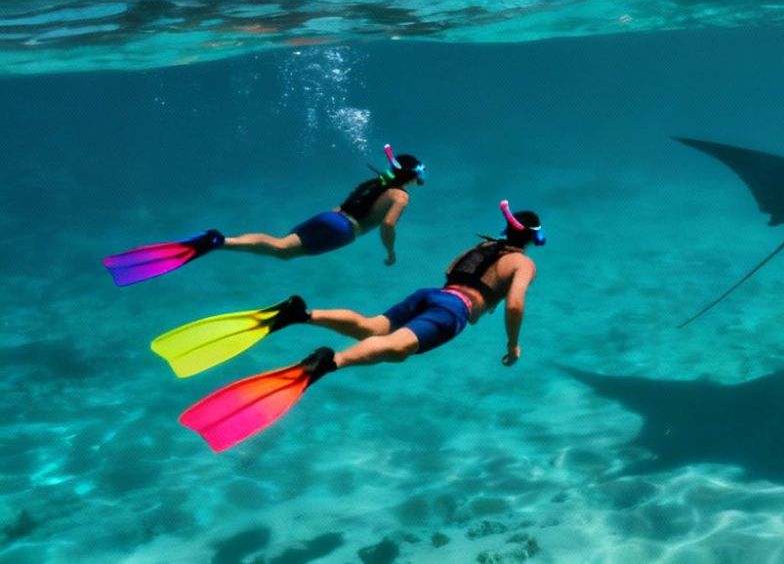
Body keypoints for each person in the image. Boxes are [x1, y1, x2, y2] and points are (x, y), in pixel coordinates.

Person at [163, 200, 546, 452]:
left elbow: (452, 274)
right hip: (454, 310)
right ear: (531, 240)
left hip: (431, 294)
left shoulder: (477, 247)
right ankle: (330, 363)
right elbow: (513, 304)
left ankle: (301, 315)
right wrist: (513, 345)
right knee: (397, 349)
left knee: (371, 326)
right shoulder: (522, 263)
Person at [103, 146, 424, 286]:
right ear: (412, 177)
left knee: (280, 243)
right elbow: (387, 224)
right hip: (344, 231)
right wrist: (390, 251)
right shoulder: (400, 195)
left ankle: (222, 240)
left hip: (328, 217)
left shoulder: (375, 181)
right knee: (282, 253)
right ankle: (216, 242)